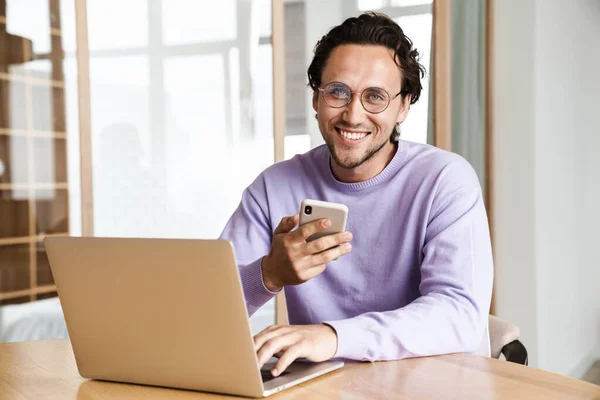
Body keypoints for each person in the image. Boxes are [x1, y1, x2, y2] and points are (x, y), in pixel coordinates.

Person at [220, 12, 493, 377]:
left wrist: (333, 336)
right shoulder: (273, 188)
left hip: (432, 384)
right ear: (316, 98)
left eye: (375, 97)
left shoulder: (445, 180)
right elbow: (210, 309)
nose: (353, 114)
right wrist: (269, 274)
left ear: (404, 105)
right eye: (337, 92)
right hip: (326, 388)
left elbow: (459, 313)